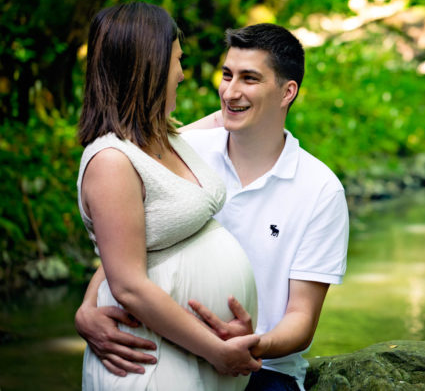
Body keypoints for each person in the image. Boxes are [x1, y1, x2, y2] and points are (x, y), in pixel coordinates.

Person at [75, 23, 350, 390]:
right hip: (169, 349)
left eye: (249, 79)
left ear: (288, 92)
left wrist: (254, 344)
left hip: (260, 367)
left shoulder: (320, 189)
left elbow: (301, 316)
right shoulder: (182, 153)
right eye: (227, 74)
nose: (230, 92)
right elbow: (133, 238)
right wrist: (87, 307)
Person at [76, 2, 261, 390]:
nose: (182, 72)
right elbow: (127, 283)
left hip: (185, 352)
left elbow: (132, 242)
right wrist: (215, 350)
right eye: (177, 60)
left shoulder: (167, 135)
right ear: (149, 65)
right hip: (152, 361)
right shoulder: (111, 161)